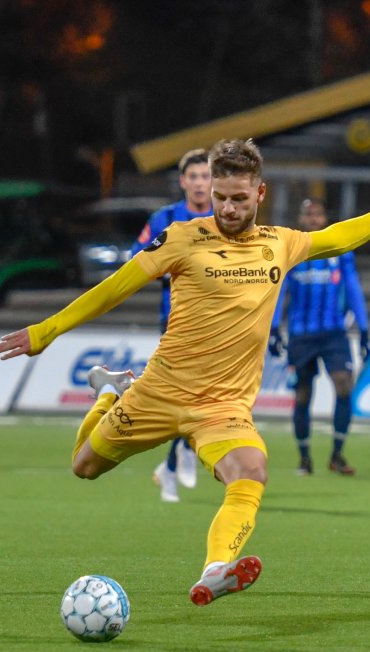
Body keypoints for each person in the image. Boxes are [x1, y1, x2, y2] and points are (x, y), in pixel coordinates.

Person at [0, 138, 370, 607]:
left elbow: (337, 237)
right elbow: (115, 288)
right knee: (84, 467)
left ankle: (216, 570)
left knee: (251, 471)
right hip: (159, 393)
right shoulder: (181, 237)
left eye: (239, 198)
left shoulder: (280, 243)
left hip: (221, 407)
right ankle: (111, 394)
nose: (228, 209)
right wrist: (46, 331)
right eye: (220, 197)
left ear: (260, 194)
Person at [129, 147, 213, 503]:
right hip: (177, 321)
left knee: (207, 396)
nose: (200, 183)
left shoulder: (224, 219)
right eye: (194, 176)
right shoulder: (165, 218)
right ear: (182, 181)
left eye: (206, 176)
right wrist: (168, 268)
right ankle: (181, 455)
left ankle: (176, 461)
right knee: (190, 395)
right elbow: (136, 258)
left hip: (220, 320)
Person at [268, 197, 370, 476]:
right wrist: (274, 327)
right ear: (301, 219)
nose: (314, 219)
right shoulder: (291, 251)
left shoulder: (340, 250)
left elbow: (353, 288)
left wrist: (364, 330)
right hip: (301, 335)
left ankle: (337, 455)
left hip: (334, 333)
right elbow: (279, 290)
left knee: (344, 385)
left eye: (318, 214)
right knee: (303, 394)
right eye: (308, 214)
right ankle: (304, 458)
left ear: (325, 218)